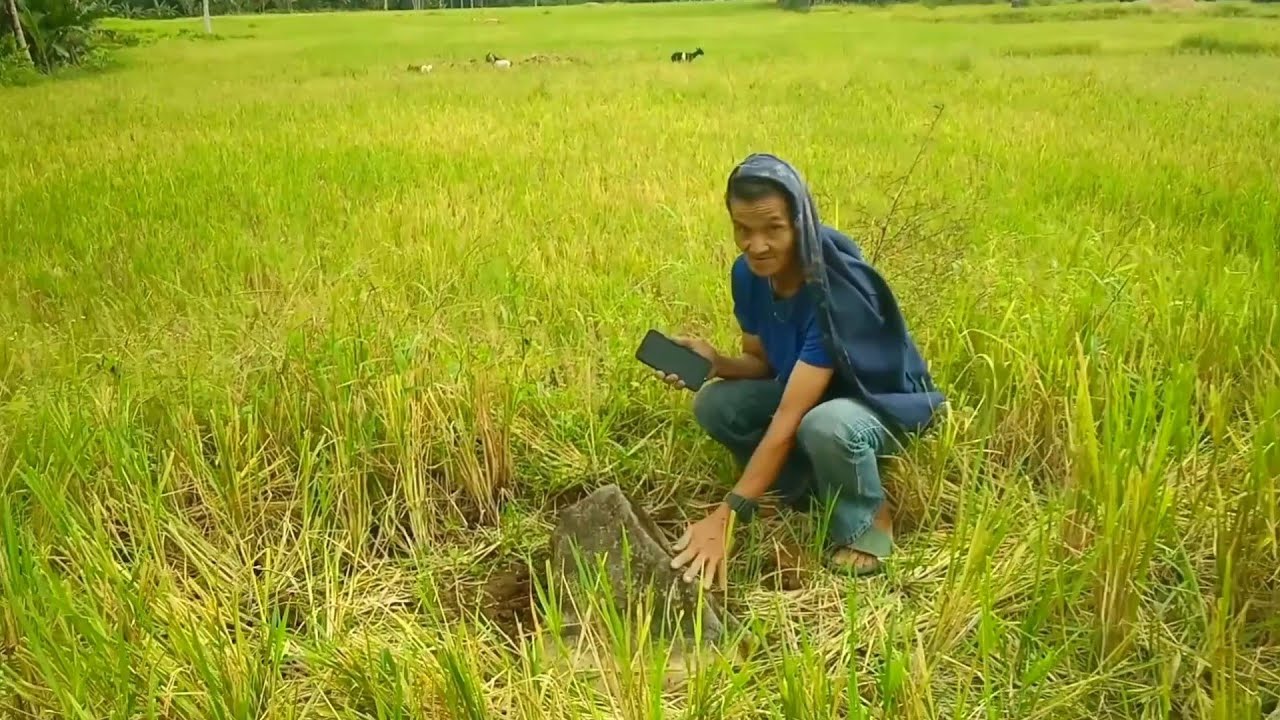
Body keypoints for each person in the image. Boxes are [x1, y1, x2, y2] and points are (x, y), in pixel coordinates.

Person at [655, 153, 946, 589]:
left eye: (773, 228)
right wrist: (717, 363)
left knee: (825, 425)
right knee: (715, 403)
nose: (756, 245)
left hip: (879, 404)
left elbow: (789, 418)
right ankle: (803, 488)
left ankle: (869, 522)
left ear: (799, 222)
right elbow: (763, 364)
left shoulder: (831, 290)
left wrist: (726, 517)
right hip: (813, 396)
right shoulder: (748, 275)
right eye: (743, 229)